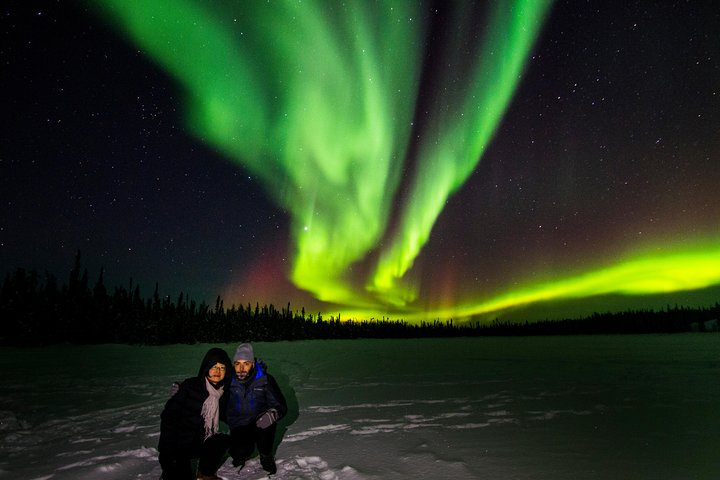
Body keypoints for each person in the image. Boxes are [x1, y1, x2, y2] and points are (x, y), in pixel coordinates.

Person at [158, 347, 232, 480]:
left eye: (222, 368)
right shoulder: (190, 386)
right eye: (214, 366)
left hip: (198, 441)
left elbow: (229, 415)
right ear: (206, 367)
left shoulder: (222, 392)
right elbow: (168, 417)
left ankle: (205, 473)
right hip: (177, 446)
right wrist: (168, 452)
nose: (218, 371)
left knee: (221, 440)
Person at [227, 343, 288, 474]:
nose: (241, 368)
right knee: (239, 452)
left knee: (267, 424)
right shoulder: (227, 380)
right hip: (239, 425)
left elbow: (281, 405)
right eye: (238, 364)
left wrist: (274, 413)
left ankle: (266, 455)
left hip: (259, 422)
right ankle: (241, 453)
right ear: (233, 365)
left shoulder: (265, 380)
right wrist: (183, 387)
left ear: (253, 364)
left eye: (246, 363)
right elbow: (205, 385)